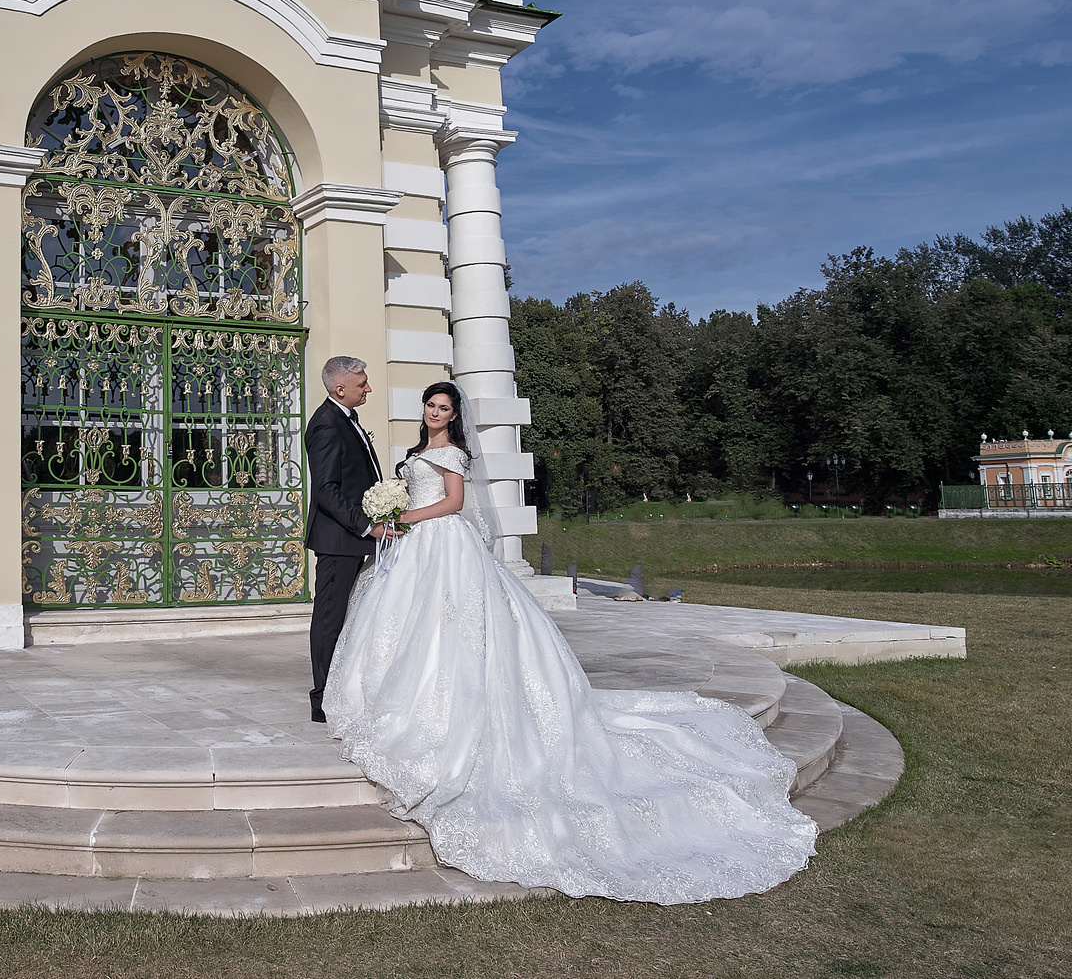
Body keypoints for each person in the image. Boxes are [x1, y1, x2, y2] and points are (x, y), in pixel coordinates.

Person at [322, 381, 818, 904]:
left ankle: (447, 701)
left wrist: (404, 516)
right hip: (411, 549)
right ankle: (394, 693)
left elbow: (454, 502)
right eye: (431, 405)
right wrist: (390, 513)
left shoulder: (451, 453)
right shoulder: (415, 450)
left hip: (440, 542)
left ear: (453, 415)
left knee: (454, 623)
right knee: (404, 624)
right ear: (423, 408)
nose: (437, 412)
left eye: (445, 407)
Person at [302, 354, 383, 724]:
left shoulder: (346, 420)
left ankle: (342, 687)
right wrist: (367, 526)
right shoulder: (327, 425)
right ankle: (322, 698)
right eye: (362, 382)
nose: (368, 387)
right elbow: (327, 491)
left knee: (349, 617)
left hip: (351, 540)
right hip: (339, 540)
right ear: (340, 388)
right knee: (330, 618)